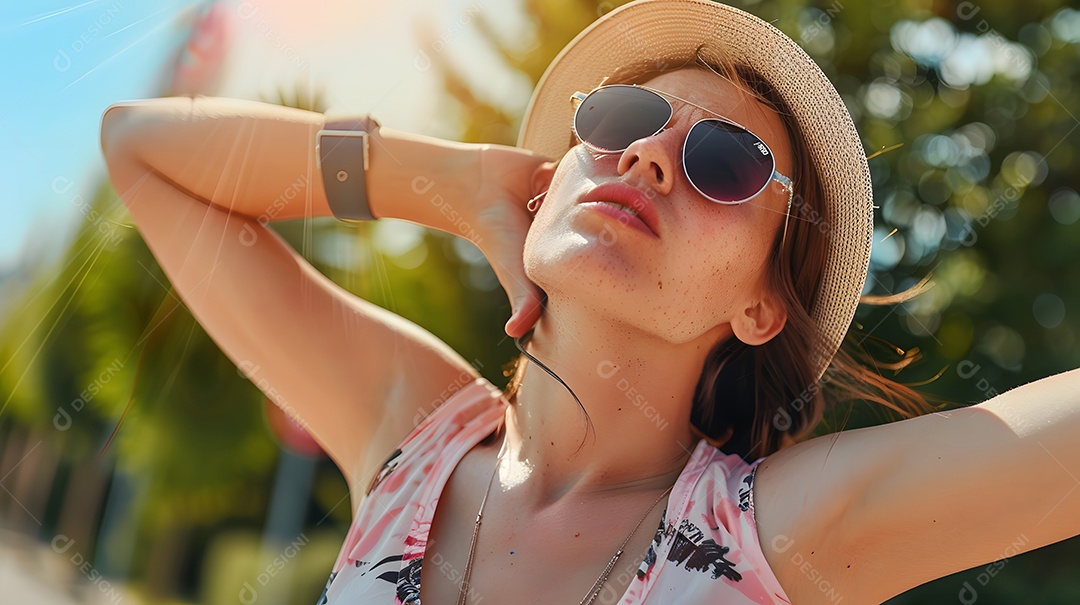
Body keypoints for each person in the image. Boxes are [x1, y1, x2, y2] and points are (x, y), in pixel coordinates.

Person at [98, 0, 1080, 603]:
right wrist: (451, 179)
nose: (650, 153)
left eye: (726, 163)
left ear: (761, 308)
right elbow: (140, 145)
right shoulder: (415, 439)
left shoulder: (781, 533)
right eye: (622, 119)